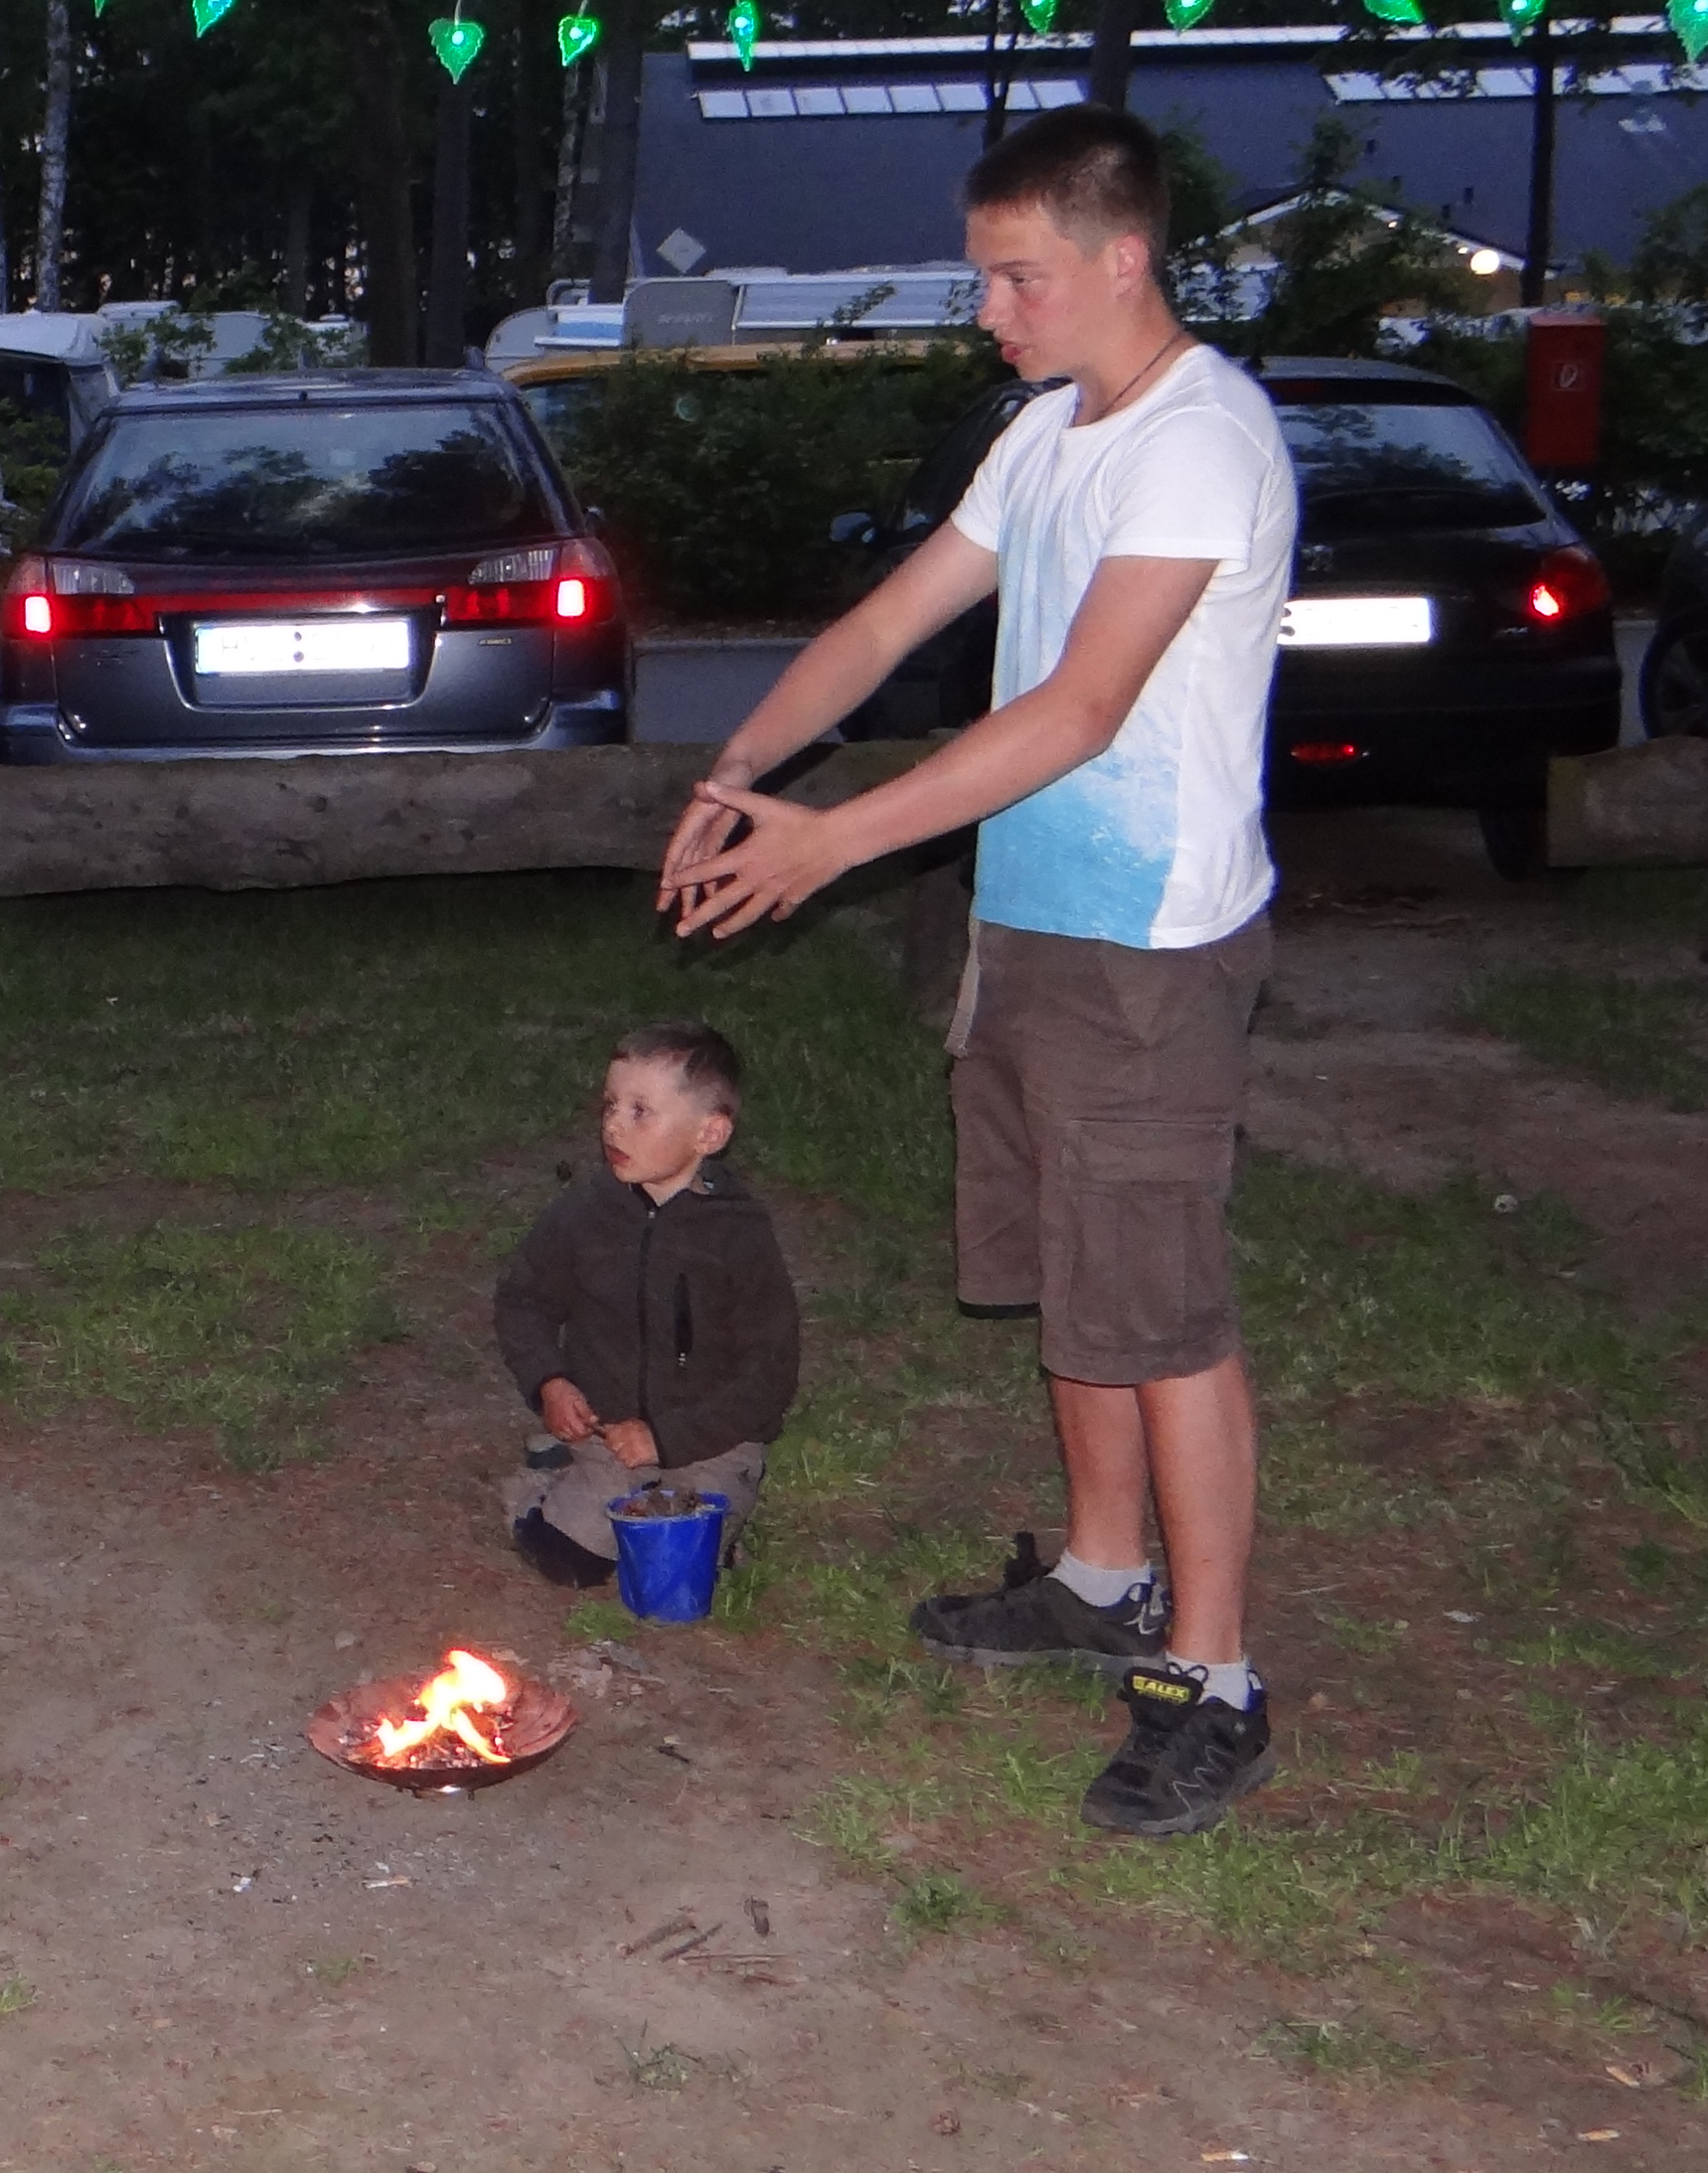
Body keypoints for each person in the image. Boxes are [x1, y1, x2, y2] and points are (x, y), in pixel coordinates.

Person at [658, 104, 1295, 1838]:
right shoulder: (1044, 434)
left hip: (1150, 952)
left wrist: (832, 842)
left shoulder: (1197, 440)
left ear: (1120, 258)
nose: (990, 311)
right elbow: (884, 627)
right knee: (1073, 1280)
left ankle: (1215, 1678)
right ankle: (1097, 1577)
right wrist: (742, 773)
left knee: (1161, 1313)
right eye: (982, 278)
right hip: (1029, 927)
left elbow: (1078, 708)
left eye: (1017, 279)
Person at [491, 1021, 801, 1590]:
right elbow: (524, 1300)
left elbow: (770, 1371)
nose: (613, 1124)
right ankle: (542, 1487)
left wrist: (665, 1437)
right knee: (570, 1560)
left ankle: (705, 1525)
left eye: (640, 1111)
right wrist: (549, 1381)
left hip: (710, 1441)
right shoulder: (585, 1213)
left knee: (674, 1572)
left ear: (709, 1133)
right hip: (607, 1435)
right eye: (610, 1104)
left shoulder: (738, 1234)